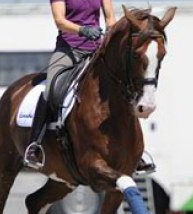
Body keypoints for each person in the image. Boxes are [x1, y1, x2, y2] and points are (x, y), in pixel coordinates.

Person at [24, 0, 155, 174]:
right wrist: (82, 30)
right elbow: (60, 21)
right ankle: (35, 144)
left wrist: (111, 32)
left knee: (123, 90)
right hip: (69, 49)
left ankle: (135, 152)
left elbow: (110, 18)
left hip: (96, 48)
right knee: (52, 90)